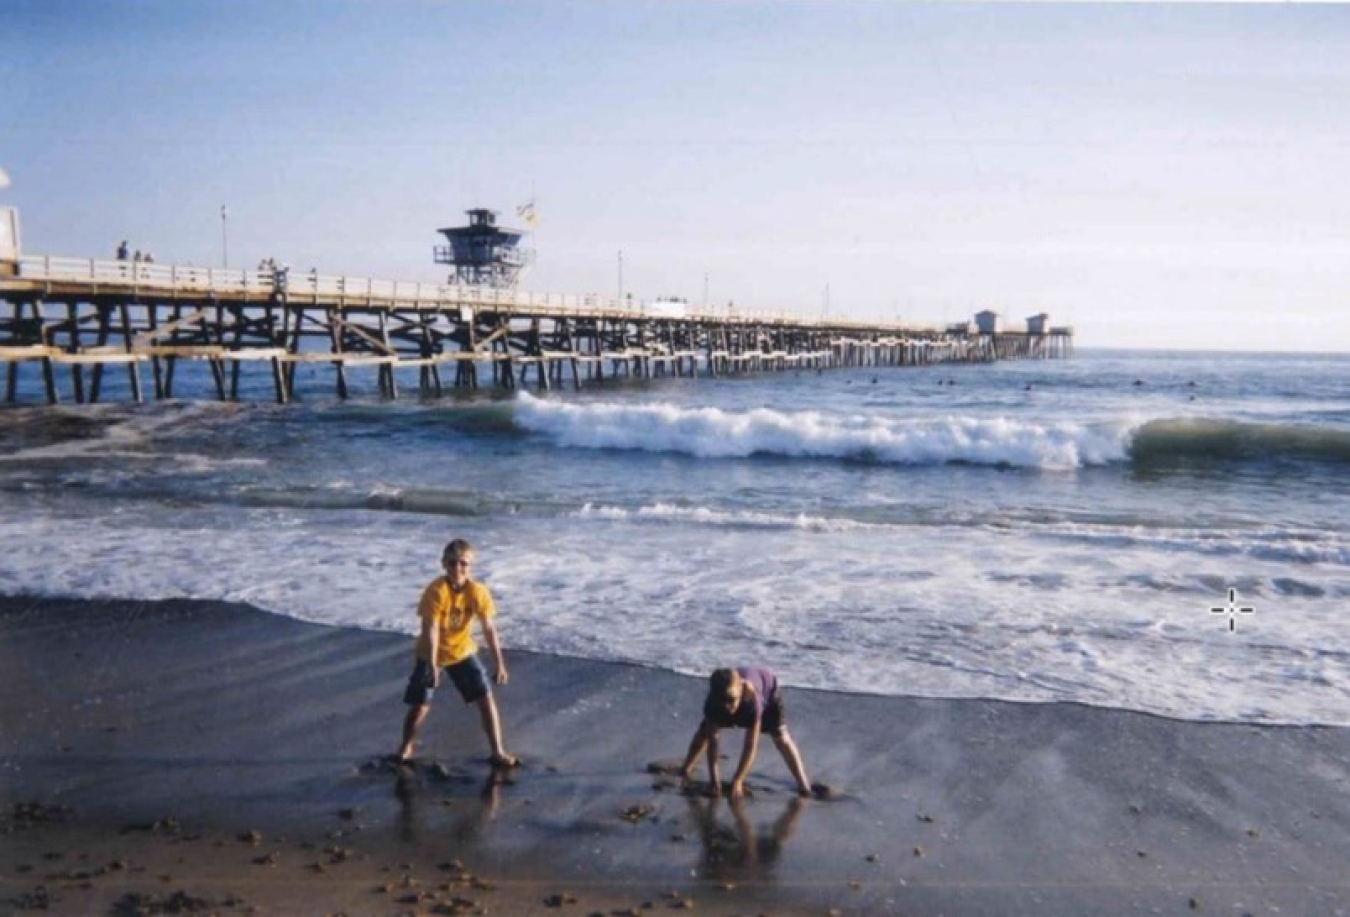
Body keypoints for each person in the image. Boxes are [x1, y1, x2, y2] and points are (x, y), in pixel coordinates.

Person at [394, 538, 518, 769]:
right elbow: (430, 629)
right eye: (452, 563)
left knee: (485, 697)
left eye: (463, 563)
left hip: (462, 651)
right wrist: (432, 665)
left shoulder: (477, 591)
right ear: (444, 564)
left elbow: (489, 628)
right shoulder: (436, 590)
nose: (458, 569)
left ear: (471, 565)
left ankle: (498, 751)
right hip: (430, 652)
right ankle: (406, 747)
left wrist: (499, 664)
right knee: (421, 704)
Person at [679, 666, 812, 799]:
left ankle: (803, 784)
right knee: (704, 732)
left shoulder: (752, 701)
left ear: (741, 690)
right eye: (721, 700)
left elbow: (750, 746)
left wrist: (738, 780)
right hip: (732, 695)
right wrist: (714, 780)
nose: (726, 706)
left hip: (768, 690)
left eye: (730, 700)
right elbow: (713, 743)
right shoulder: (713, 704)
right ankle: (686, 768)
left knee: (781, 737)